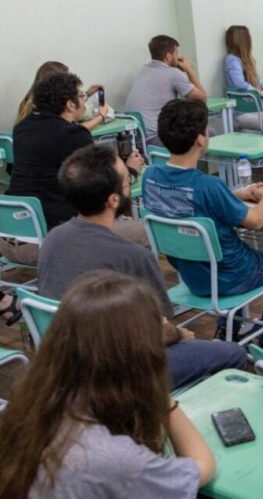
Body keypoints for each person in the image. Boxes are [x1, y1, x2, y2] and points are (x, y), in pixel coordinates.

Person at [0, 271, 263, 499]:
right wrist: (164, 401)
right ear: (139, 357)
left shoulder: (30, 410)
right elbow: (202, 466)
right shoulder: (114, 457)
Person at [38, 144, 247, 388]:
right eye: (128, 181)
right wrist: (181, 334)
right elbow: (160, 331)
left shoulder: (52, 239)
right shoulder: (133, 257)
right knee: (233, 353)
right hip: (120, 374)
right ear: (114, 199)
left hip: (65, 367)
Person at [142, 99, 263, 339]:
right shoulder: (207, 185)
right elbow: (255, 221)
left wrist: (233, 195)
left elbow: (190, 205)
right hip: (236, 274)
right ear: (201, 139)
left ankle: (228, 328)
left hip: (193, 277)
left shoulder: (150, 177)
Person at [5, 72, 145, 235]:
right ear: (70, 105)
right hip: (55, 234)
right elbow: (100, 185)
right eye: (81, 96)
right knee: (142, 233)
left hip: (13, 231)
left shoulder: (22, 128)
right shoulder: (73, 135)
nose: (84, 103)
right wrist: (132, 170)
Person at [125, 34, 207, 147]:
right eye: (177, 53)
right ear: (169, 56)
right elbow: (202, 98)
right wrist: (189, 70)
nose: (179, 56)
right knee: (207, 134)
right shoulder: (173, 74)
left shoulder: (144, 70)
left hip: (136, 139)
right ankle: (192, 165)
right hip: (156, 138)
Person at [17, 61, 112, 133]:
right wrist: (101, 116)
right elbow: (73, 131)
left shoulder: (31, 102)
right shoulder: (47, 108)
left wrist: (86, 94)